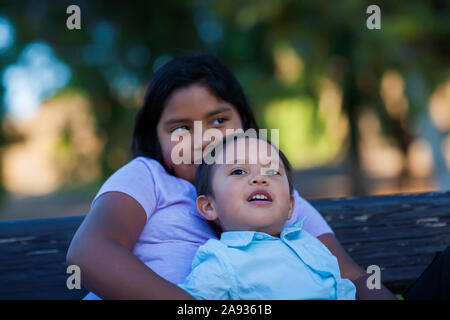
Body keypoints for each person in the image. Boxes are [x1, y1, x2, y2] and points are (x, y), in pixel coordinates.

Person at [66, 54, 396, 299]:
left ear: (245, 124)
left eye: (219, 120)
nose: (204, 138)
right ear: (156, 140)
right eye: (181, 128)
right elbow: (90, 252)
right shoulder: (148, 177)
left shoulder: (273, 196)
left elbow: (352, 278)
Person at [178, 134, 357, 299]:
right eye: (238, 171)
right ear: (209, 206)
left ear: (290, 206)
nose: (260, 178)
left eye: (272, 171)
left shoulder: (310, 245)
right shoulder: (221, 263)